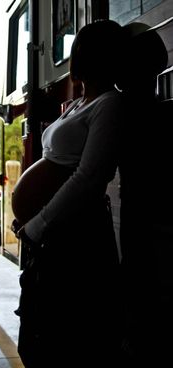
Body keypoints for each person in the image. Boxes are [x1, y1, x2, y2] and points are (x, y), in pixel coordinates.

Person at [12, 20, 126, 367]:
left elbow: (89, 177)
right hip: (52, 237)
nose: (75, 57)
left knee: (66, 339)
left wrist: (37, 225)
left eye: (81, 50)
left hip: (76, 238)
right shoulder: (79, 103)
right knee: (37, 334)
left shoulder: (109, 104)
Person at [117, 23, 171, 365]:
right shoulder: (161, 111)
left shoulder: (118, 110)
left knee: (140, 285)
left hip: (139, 214)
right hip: (155, 216)